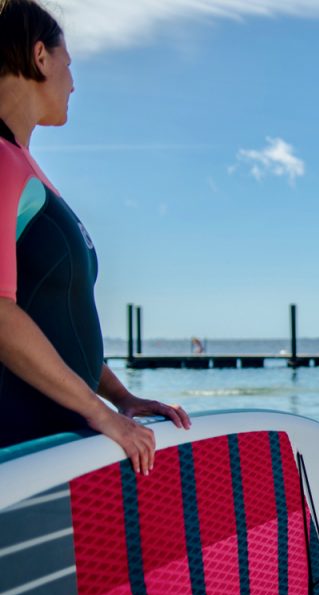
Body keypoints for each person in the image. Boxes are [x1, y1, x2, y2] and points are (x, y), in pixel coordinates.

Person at [0, 0, 190, 472]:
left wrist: (121, 398)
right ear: (39, 57)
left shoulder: (28, 171)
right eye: (69, 63)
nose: (74, 82)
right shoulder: (1, 162)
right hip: (23, 450)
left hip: (58, 445)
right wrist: (100, 414)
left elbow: (50, 321)